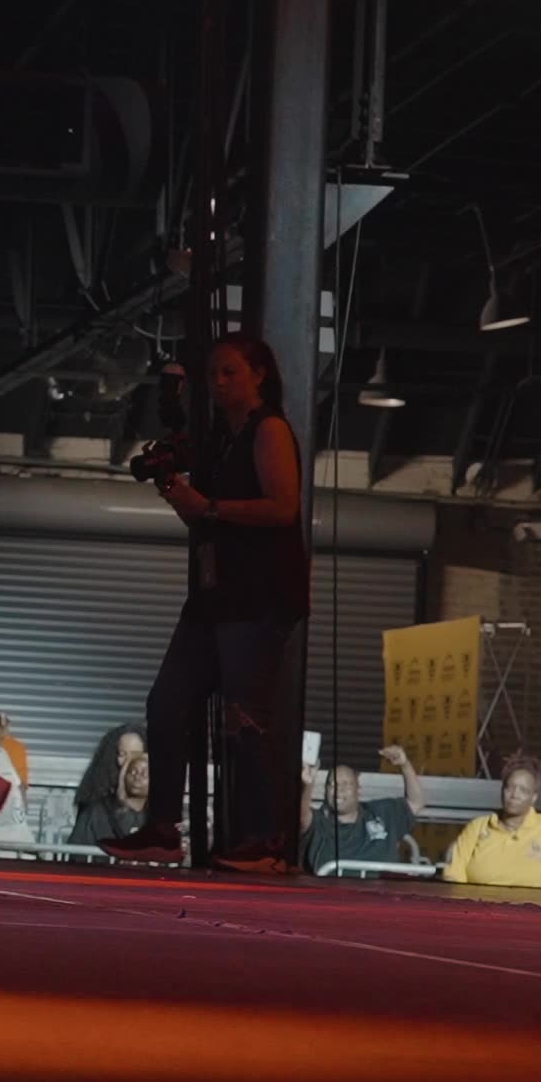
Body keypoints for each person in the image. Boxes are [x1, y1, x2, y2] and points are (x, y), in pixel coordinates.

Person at [112, 335, 309, 873]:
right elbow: (203, 518)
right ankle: (162, 827)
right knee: (168, 702)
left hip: (256, 593)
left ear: (259, 374)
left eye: (230, 372)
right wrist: (183, 497)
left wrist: (210, 506)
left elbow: (283, 507)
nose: (219, 383)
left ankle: (265, 840)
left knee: (245, 716)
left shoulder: (268, 429)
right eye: (213, 374)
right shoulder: (224, 437)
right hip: (216, 594)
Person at [438, 752, 541, 888]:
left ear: (534, 797)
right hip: (479, 906)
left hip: (533, 908)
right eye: (509, 787)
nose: (514, 795)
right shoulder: (478, 827)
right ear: (502, 790)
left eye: (523, 790)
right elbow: (453, 875)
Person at [303, 743, 427, 875]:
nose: (339, 790)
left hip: (386, 888)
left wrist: (405, 765)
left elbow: (416, 802)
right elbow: (301, 817)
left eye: (346, 784)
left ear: (358, 790)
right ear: (325, 791)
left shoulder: (382, 812)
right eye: (332, 785)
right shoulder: (319, 822)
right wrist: (307, 784)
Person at [68, 724, 149, 852]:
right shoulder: (96, 810)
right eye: (123, 754)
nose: (129, 761)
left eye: (136, 755)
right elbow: (77, 852)